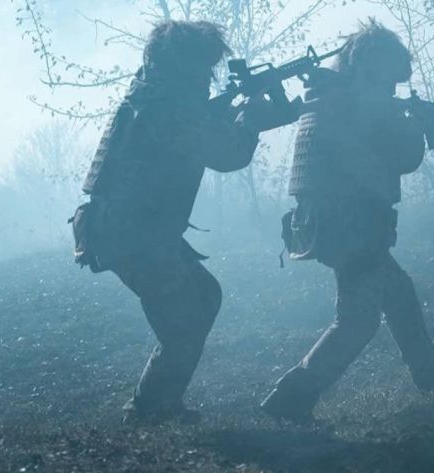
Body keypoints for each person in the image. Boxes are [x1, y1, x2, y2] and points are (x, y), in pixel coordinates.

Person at [70, 20, 293, 425]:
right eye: (202, 69)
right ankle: (146, 410)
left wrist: (237, 114)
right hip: (133, 234)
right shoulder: (166, 109)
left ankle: (159, 402)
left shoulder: (153, 98)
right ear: (185, 68)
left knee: (203, 296)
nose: (207, 79)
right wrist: (250, 118)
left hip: (138, 230)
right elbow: (228, 155)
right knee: (186, 321)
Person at [261, 20, 434, 424]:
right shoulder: (356, 105)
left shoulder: (331, 96)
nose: (391, 90)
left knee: (399, 294)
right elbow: (404, 158)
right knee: (358, 321)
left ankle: (431, 376)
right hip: (349, 224)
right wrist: (417, 126)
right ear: (371, 70)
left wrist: (407, 119)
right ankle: (292, 397)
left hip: (331, 223)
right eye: (388, 81)